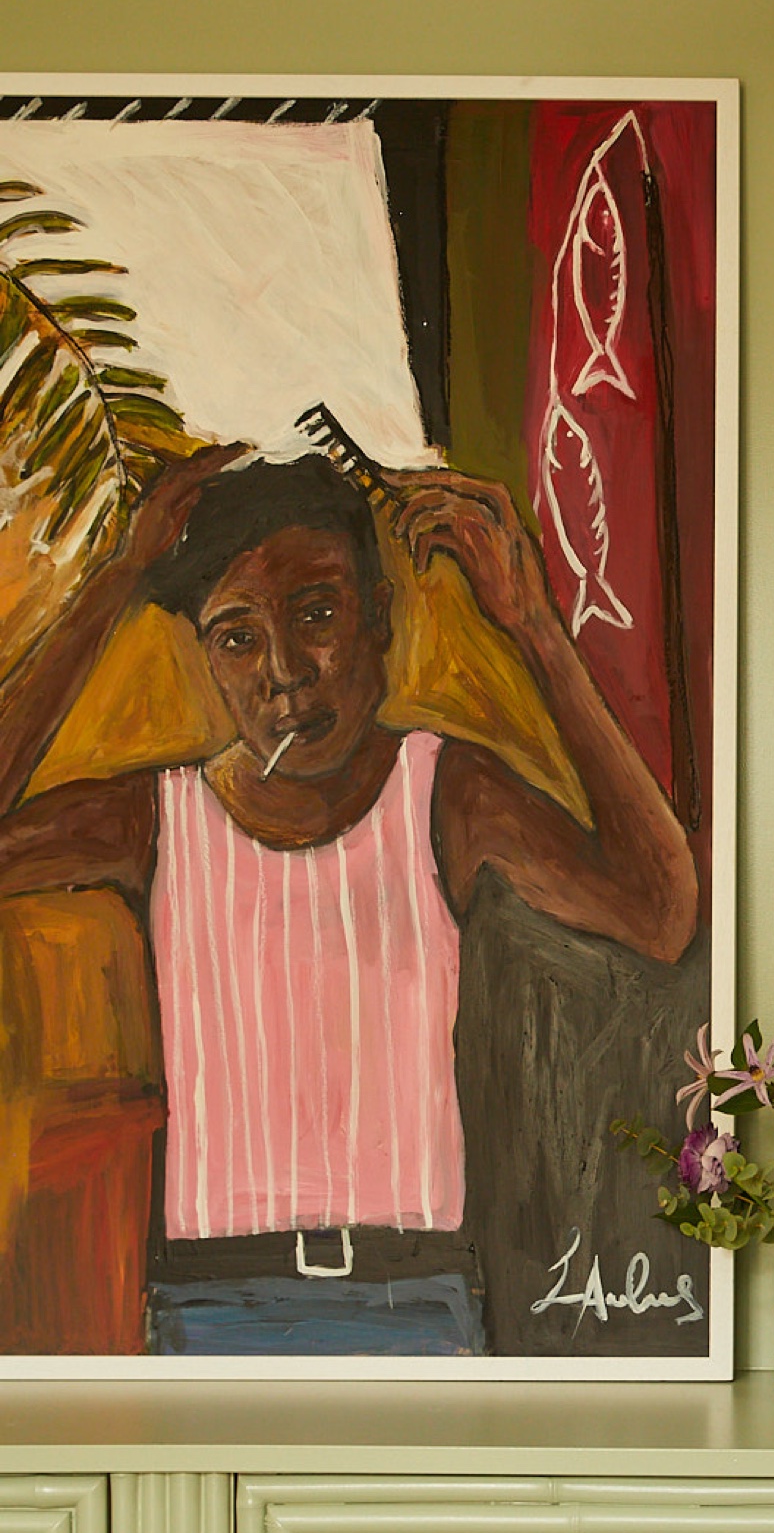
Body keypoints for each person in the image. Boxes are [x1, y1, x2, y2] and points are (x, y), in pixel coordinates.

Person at [0, 445, 699, 1355]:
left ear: (379, 620)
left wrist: (529, 624)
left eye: (317, 614)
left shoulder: (447, 793)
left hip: (417, 1299)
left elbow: (660, 911)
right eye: (238, 636)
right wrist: (118, 581)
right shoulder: (155, 818)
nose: (286, 670)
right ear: (205, 658)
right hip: (209, 1307)